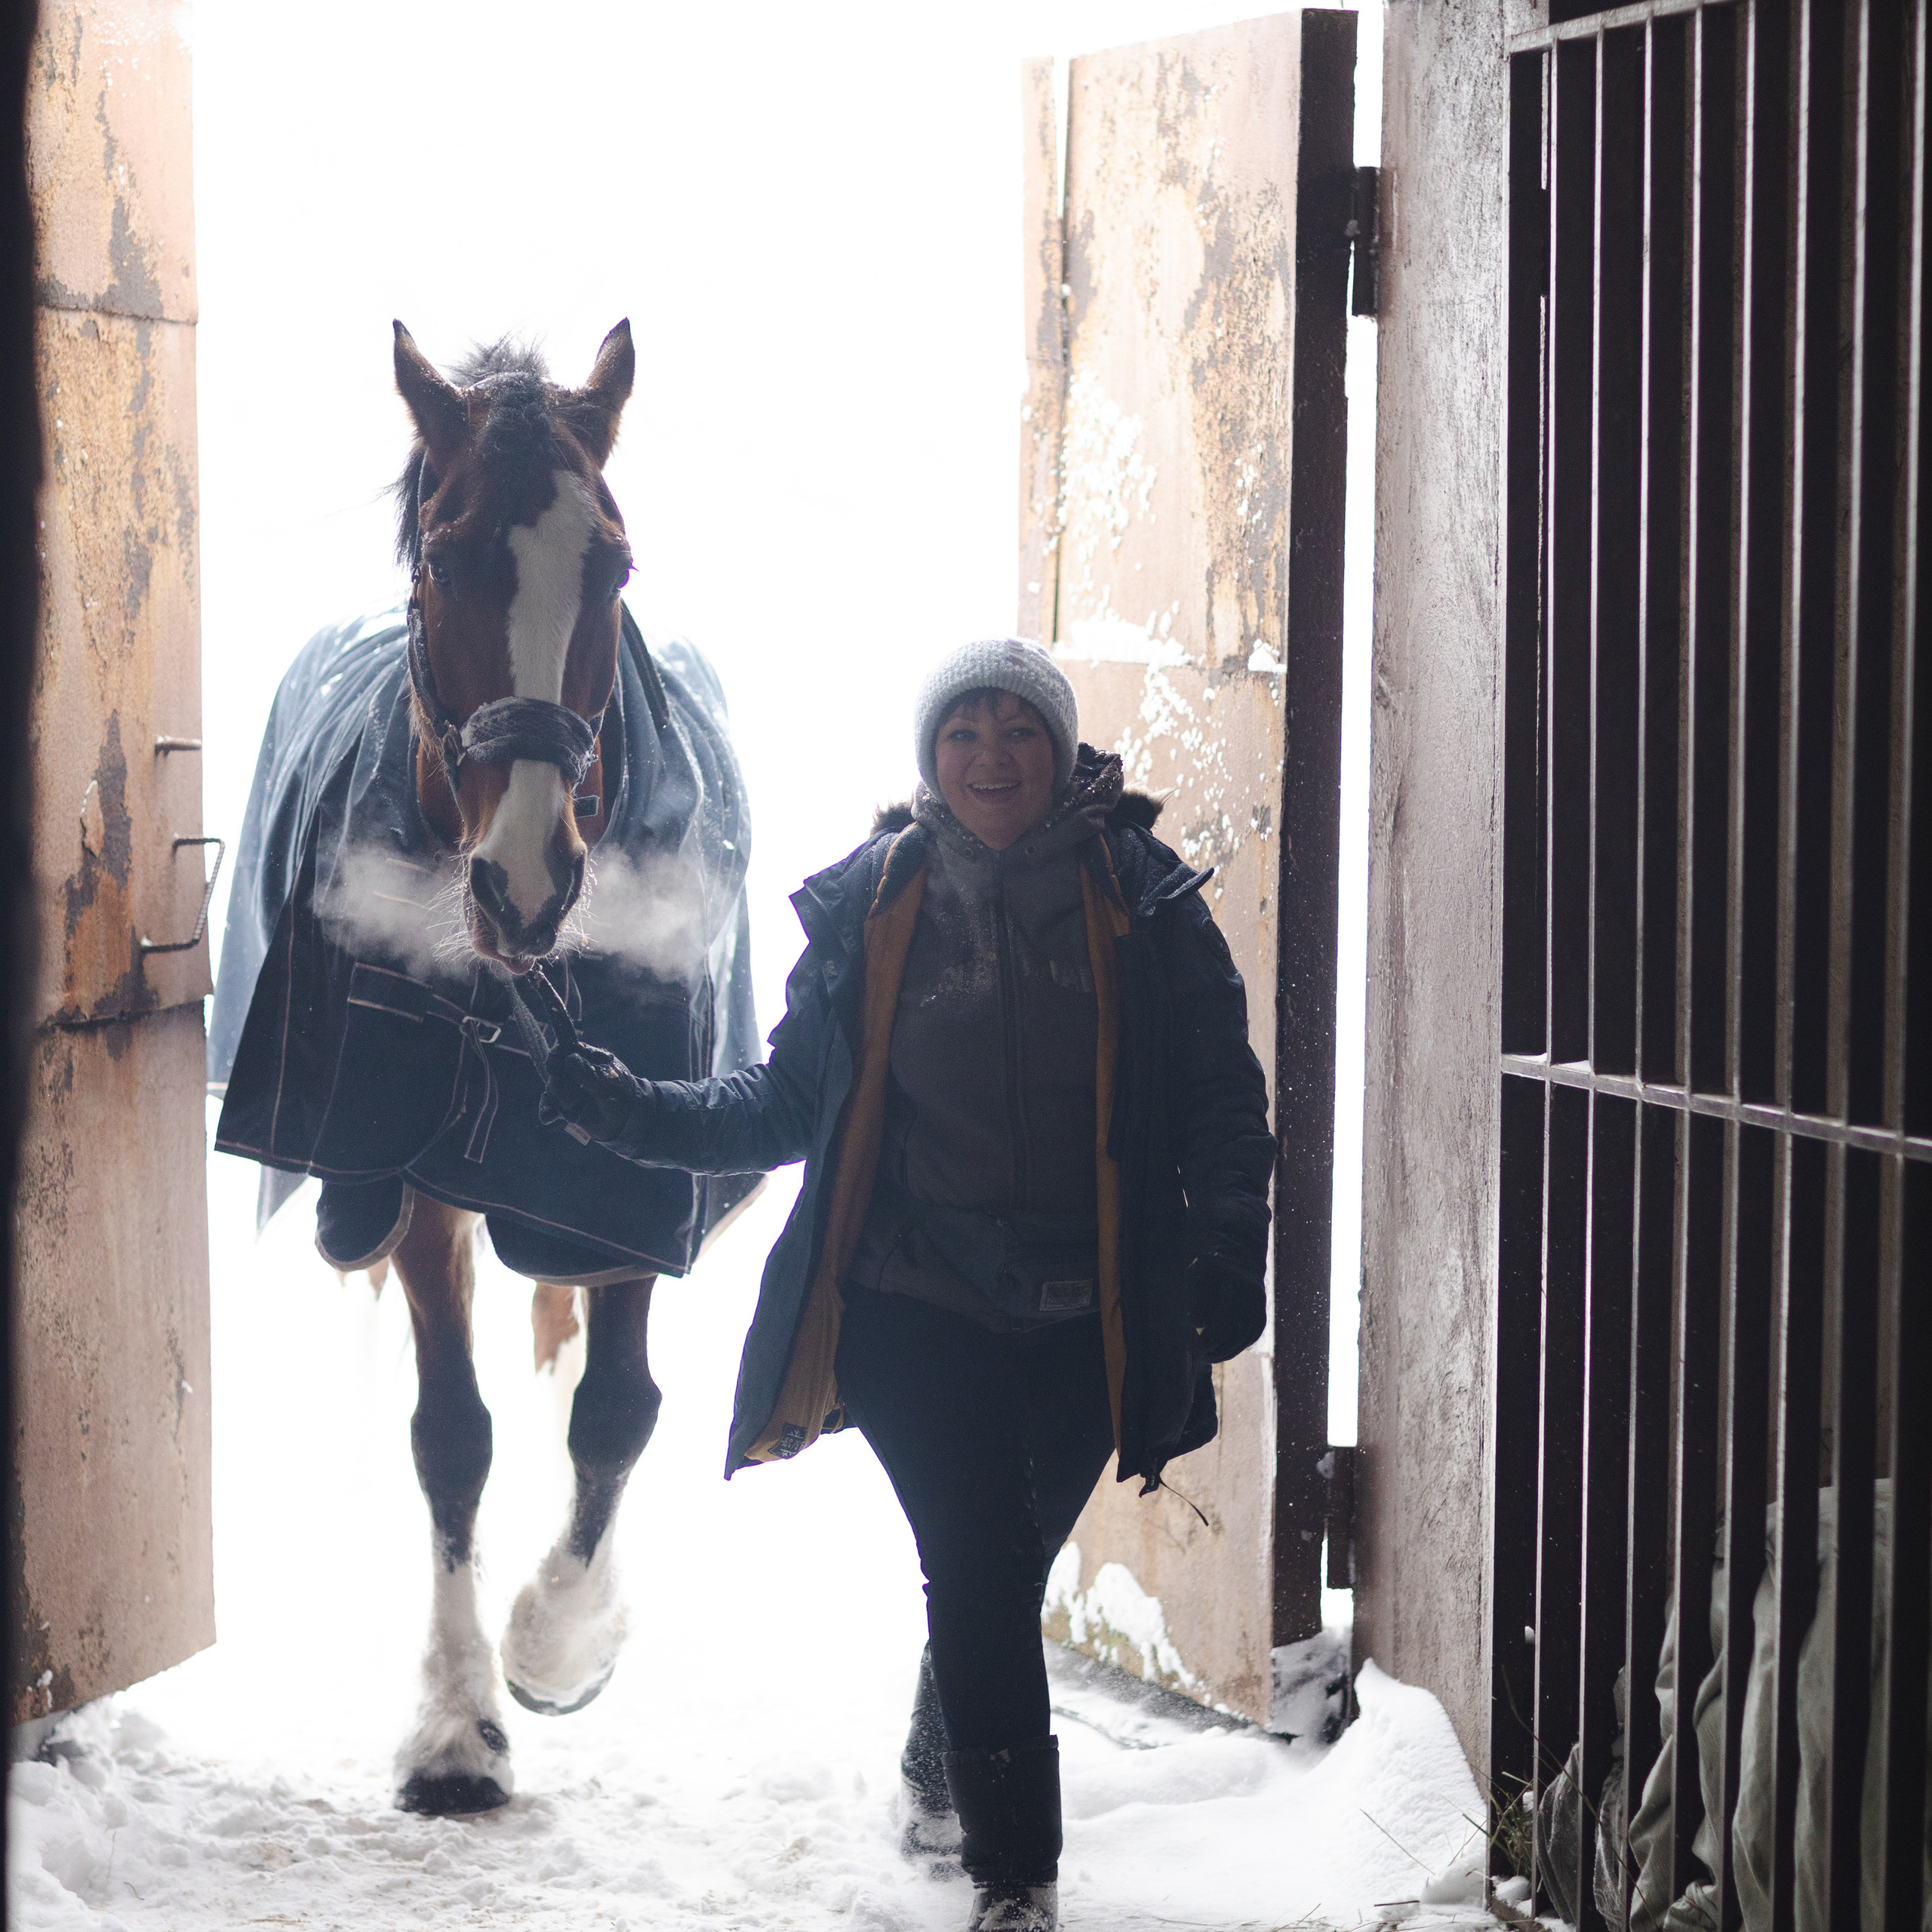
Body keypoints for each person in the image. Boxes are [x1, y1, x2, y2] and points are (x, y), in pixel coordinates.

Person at [538, 638, 1275, 1932]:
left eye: (1019, 732)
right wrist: (620, 1108)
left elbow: (1223, 1097)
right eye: (963, 735)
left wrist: (1227, 1246)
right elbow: (781, 1100)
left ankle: (943, 1769)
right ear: (930, 760)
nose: (992, 756)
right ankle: (1014, 1878)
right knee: (977, 1570)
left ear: (1062, 750)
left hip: (1089, 1316)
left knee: (1008, 1556)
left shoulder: (1143, 897)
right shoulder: (877, 902)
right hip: (912, 1307)